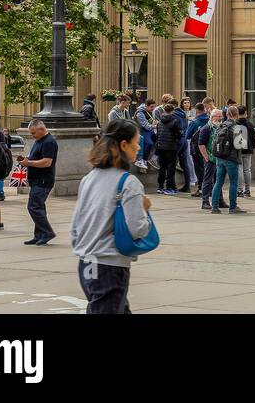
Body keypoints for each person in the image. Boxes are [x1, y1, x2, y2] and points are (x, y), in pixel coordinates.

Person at [69, 119, 152, 313]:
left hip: (86, 261)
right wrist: (145, 210)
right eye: (137, 142)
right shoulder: (128, 182)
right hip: (110, 264)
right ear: (124, 145)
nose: (139, 147)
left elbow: (76, 225)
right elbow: (137, 228)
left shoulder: (89, 178)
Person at [19, 119, 58, 245]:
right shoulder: (39, 141)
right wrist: (27, 160)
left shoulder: (49, 142)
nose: (32, 135)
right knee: (38, 207)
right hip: (37, 180)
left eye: (34, 133)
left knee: (34, 207)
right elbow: (36, 157)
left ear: (42, 129)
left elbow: (47, 162)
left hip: (43, 180)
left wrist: (28, 162)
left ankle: (47, 232)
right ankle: (39, 235)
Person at [207, 108, 244, 215]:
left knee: (218, 182)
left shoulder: (220, 126)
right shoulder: (236, 127)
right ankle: (233, 207)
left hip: (219, 157)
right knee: (233, 183)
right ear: (237, 115)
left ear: (227, 114)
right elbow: (240, 145)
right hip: (231, 158)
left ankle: (214, 207)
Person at [153, 103, 183, 195]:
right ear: (172, 111)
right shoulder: (174, 121)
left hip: (161, 146)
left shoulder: (160, 121)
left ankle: (160, 186)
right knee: (171, 167)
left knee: (162, 167)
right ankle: (169, 187)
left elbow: (158, 134)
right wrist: (178, 138)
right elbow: (179, 133)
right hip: (171, 146)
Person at [184, 101, 211, 199]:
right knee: (208, 169)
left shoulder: (194, 122)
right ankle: (209, 188)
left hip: (197, 149)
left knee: (199, 170)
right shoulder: (209, 120)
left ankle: (201, 189)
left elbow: (187, 136)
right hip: (208, 148)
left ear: (196, 111)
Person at [234, 105, 254, 198]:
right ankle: (248, 190)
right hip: (248, 150)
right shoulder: (250, 124)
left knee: (239, 170)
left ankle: (239, 190)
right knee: (247, 170)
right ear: (246, 113)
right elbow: (253, 139)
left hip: (238, 150)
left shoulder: (235, 124)